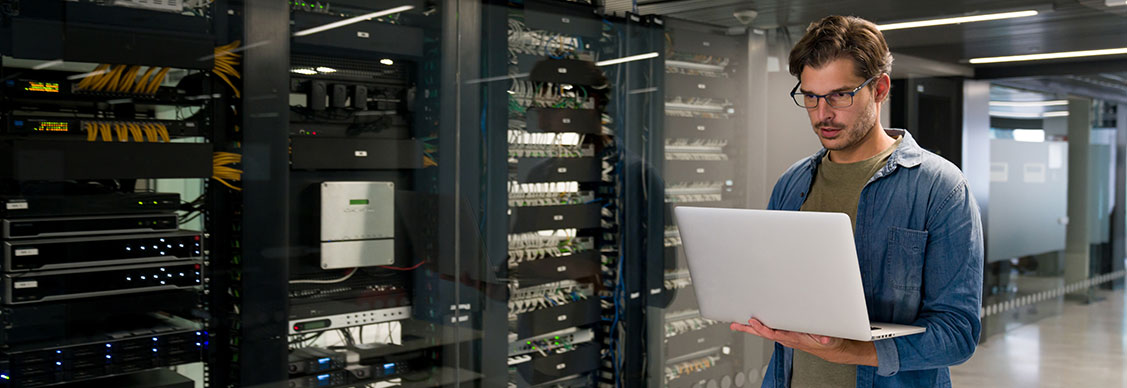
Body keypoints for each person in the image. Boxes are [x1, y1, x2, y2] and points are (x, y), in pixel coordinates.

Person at [729, 15, 984, 388]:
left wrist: (854, 351)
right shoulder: (792, 183)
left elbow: (958, 334)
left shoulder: (941, 188)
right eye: (811, 97)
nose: (822, 114)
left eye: (840, 95)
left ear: (879, 89)